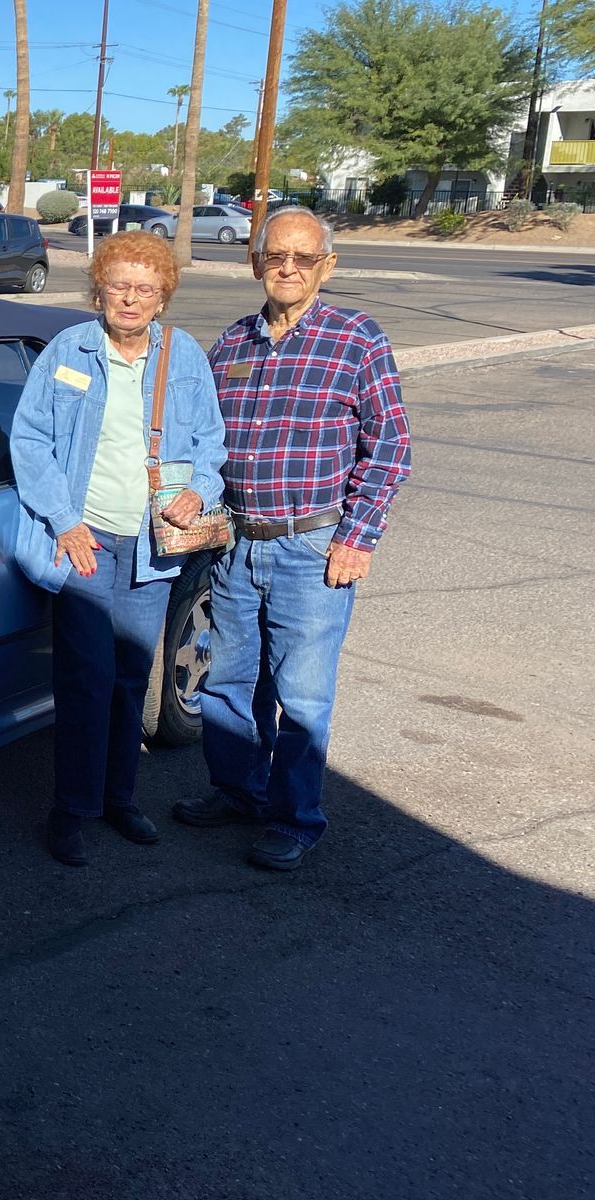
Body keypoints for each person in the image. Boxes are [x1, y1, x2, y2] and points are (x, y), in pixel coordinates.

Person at [175, 206, 411, 871]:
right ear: (256, 262)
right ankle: (239, 792)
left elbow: (389, 446)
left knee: (301, 694)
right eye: (276, 256)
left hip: (313, 547)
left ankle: (295, 819)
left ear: (325, 266)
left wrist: (357, 536)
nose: (287, 268)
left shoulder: (355, 338)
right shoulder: (232, 344)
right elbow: (205, 442)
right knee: (227, 683)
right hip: (237, 544)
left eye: (303, 259)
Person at [10, 233, 226, 867]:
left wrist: (201, 491)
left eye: (144, 289)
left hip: (152, 545)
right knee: (86, 676)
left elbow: (211, 442)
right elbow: (30, 440)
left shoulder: (183, 356)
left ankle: (119, 798)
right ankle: (72, 809)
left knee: (133, 673)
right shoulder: (69, 350)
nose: (129, 299)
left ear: (162, 299)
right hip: (87, 540)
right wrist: (63, 521)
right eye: (118, 286)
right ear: (98, 289)